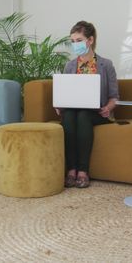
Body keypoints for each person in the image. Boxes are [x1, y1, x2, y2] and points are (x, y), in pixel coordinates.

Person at [55, 21, 119, 188]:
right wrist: (59, 103)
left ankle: (83, 171)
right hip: (73, 111)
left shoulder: (106, 65)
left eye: (79, 40)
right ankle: (71, 170)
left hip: (97, 113)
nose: (75, 45)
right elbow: (65, 92)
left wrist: (108, 108)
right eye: (73, 41)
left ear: (90, 40)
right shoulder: (70, 66)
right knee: (69, 115)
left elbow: (114, 97)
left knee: (83, 115)